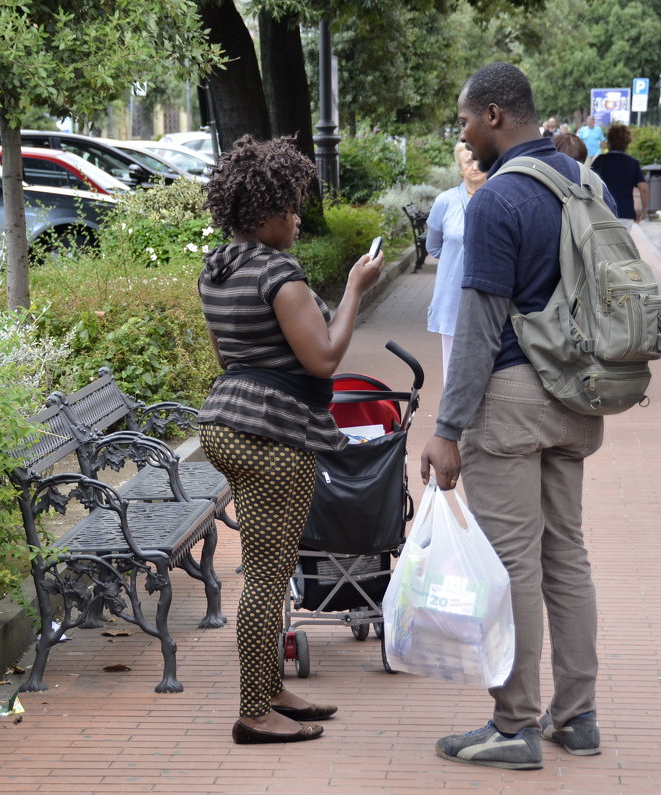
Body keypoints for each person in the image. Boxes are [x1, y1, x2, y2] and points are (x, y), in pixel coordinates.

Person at [421, 61, 613, 770]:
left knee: (510, 567)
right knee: (567, 553)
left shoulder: (496, 201)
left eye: (467, 119)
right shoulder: (582, 182)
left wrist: (447, 428)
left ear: (496, 115)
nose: (464, 133)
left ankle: (514, 723)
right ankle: (579, 715)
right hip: (576, 396)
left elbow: (477, 326)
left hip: (509, 401)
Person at [196, 135, 385, 745]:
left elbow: (231, 354)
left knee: (264, 567)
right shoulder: (279, 273)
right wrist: (357, 287)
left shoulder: (217, 268)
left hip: (226, 424)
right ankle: (254, 713)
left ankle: (272, 690)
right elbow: (325, 358)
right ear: (266, 214)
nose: (299, 218)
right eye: (291, 208)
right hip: (275, 437)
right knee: (268, 576)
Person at [425, 141, 486, 382]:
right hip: (453, 293)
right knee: (453, 366)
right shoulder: (445, 201)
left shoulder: (499, 197)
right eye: (469, 162)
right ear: (460, 167)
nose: (475, 166)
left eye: (480, 160)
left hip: (490, 292)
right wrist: (458, 260)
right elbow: (434, 246)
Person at [591, 123, 649, 227]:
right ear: (627, 142)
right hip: (625, 213)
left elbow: (589, 185)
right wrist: (644, 210)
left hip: (603, 212)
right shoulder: (632, 163)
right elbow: (643, 189)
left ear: (609, 141)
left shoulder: (600, 161)